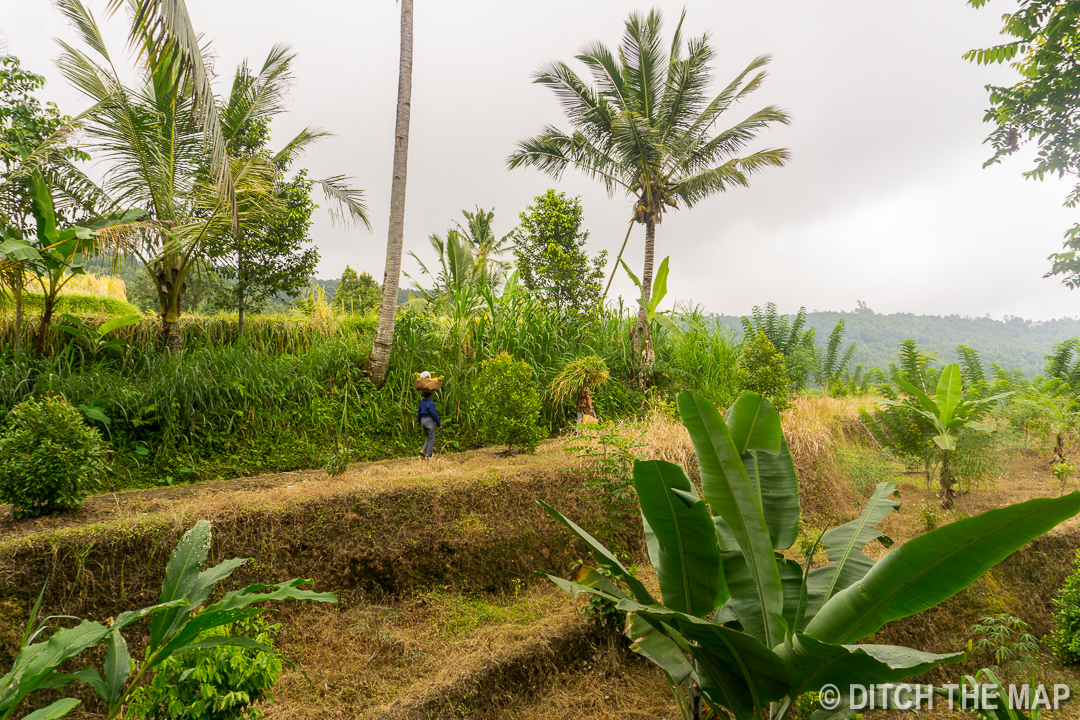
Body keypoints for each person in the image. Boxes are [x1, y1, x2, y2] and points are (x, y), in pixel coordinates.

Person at [417, 390, 441, 459]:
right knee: (432, 439)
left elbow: (419, 413)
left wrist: (420, 422)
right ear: (430, 395)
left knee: (428, 437)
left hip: (422, 420)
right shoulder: (431, 403)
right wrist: (439, 424)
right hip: (429, 420)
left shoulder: (421, 402)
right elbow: (434, 414)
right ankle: (428, 456)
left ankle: (423, 450)